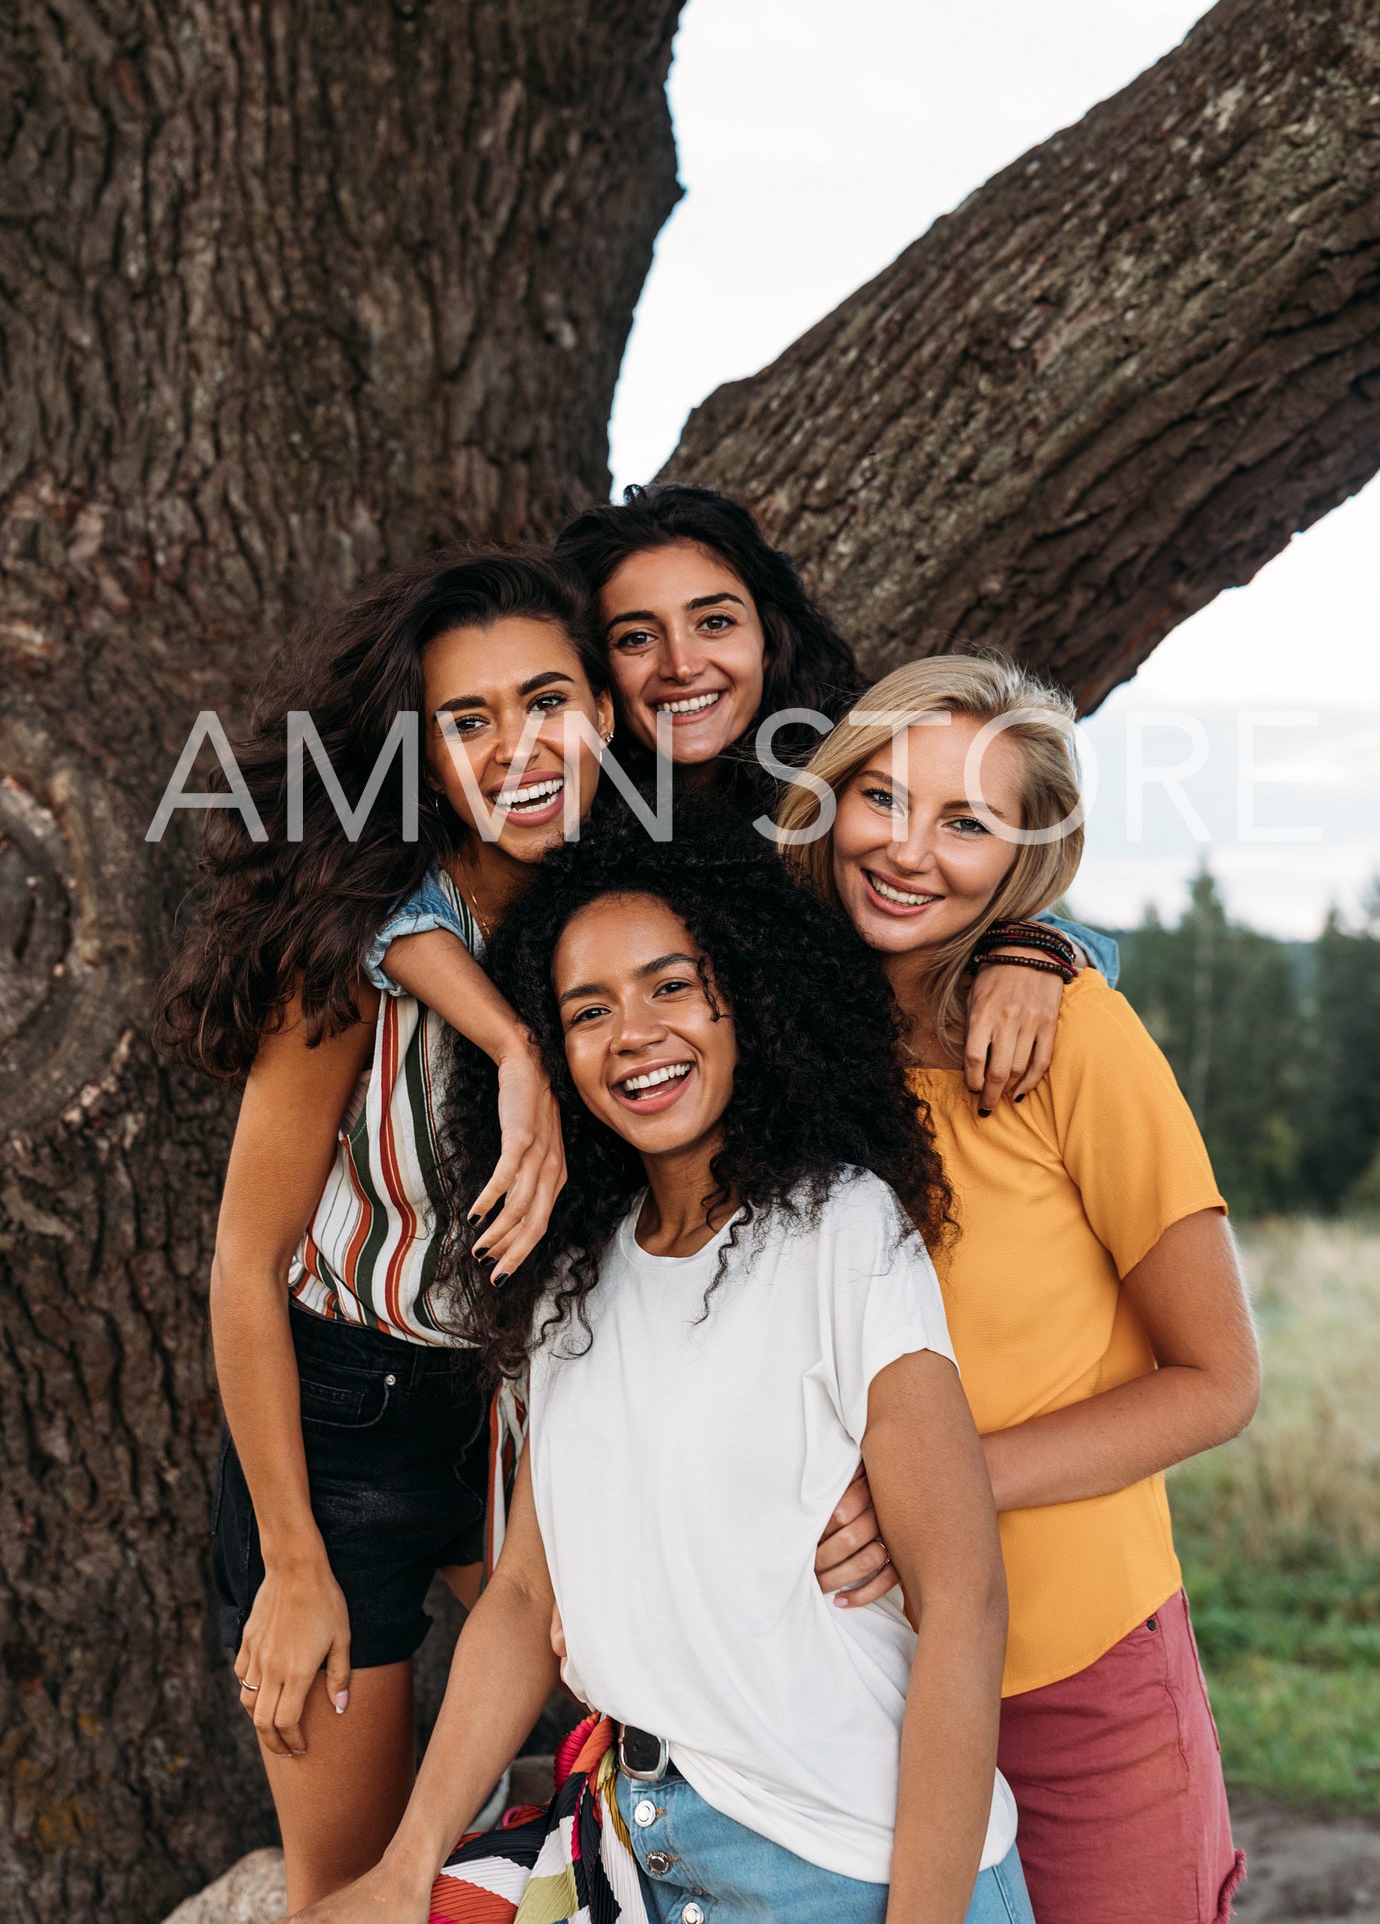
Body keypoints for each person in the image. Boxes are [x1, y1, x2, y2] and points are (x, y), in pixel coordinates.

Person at [289, 807, 1034, 1924]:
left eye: (668, 986)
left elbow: (964, 1600)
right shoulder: (572, 1278)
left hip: (851, 1865)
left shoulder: (841, 1227)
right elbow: (525, 1596)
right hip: (650, 1859)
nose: (631, 1030)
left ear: (747, 998)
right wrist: (404, 1867)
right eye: (587, 1010)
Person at [154, 547, 616, 1913]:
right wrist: (294, 1562)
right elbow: (244, 1262)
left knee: (644, 1711)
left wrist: (1048, 945)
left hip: (532, 1412)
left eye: (547, 699)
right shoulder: (353, 953)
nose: (518, 746)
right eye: (467, 721)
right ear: (419, 755)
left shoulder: (627, 909)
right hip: (345, 1413)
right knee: (352, 1885)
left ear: (603, 706)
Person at [777, 653, 1261, 1924]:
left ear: (1023, 858)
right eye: (880, 796)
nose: (907, 847)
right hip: (851, 1674)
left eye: (967, 822)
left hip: (1074, 1665)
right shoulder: (777, 1038)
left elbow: (1215, 1381)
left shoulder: (1070, 1036)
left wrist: (935, 1490)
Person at [555, 480, 1115, 1107]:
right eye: (636, 637)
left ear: (767, 636)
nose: (681, 664)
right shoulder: (567, 817)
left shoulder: (847, 781)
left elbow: (987, 898)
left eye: (714, 622)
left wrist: (1037, 946)